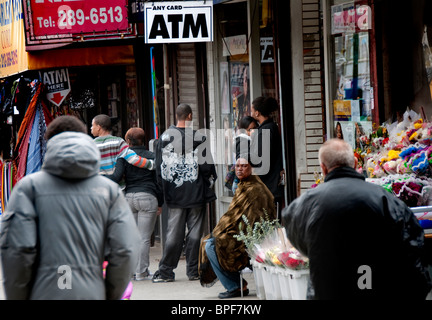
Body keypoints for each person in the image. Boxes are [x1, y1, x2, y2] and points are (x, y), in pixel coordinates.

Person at [0, 115, 140, 299]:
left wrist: (19, 295)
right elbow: (125, 248)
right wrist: (110, 292)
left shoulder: (28, 189)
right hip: (92, 292)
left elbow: (16, 250)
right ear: (84, 139)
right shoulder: (109, 191)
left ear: (49, 142)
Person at [282, 138, 432, 300]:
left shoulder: (306, 204)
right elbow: (412, 251)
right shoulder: (386, 200)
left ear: (323, 169)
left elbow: (297, 237)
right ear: (355, 163)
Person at [152, 104, 217, 283]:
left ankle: (166, 272)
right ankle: (193, 271)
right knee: (195, 233)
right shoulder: (198, 137)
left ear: (177, 116)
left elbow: (159, 168)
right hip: (196, 192)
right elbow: (206, 167)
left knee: (174, 233)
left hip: (174, 193)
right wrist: (209, 182)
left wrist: (163, 189)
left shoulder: (164, 137)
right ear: (189, 116)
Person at [199, 156, 276, 299]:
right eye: (237, 166)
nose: (239, 169)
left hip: (251, 236)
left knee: (211, 245)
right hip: (241, 232)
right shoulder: (243, 184)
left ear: (252, 168)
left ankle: (235, 286)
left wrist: (230, 231)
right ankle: (236, 285)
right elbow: (235, 214)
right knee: (209, 241)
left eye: (244, 166)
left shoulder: (255, 189)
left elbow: (254, 220)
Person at [107, 127, 163, 281]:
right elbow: (159, 180)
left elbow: (117, 177)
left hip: (129, 198)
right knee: (144, 238)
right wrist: (160, 201)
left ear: (128, 141)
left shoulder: (123, 157)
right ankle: (141, 272)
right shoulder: (152, 157)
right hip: (147, 197)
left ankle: (130, 271)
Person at [250, 96, 284, 210]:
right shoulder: (270, 127)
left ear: (257, 113)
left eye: (252, 111)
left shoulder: (266, 130)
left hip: (268, 187)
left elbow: (261, 161)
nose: (251, 113)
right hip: (270, 185)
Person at [225, 116, 258, 193]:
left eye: (255, 128)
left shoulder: (245, 141)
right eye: (250, 129)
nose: (254, 131)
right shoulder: (243, 142)